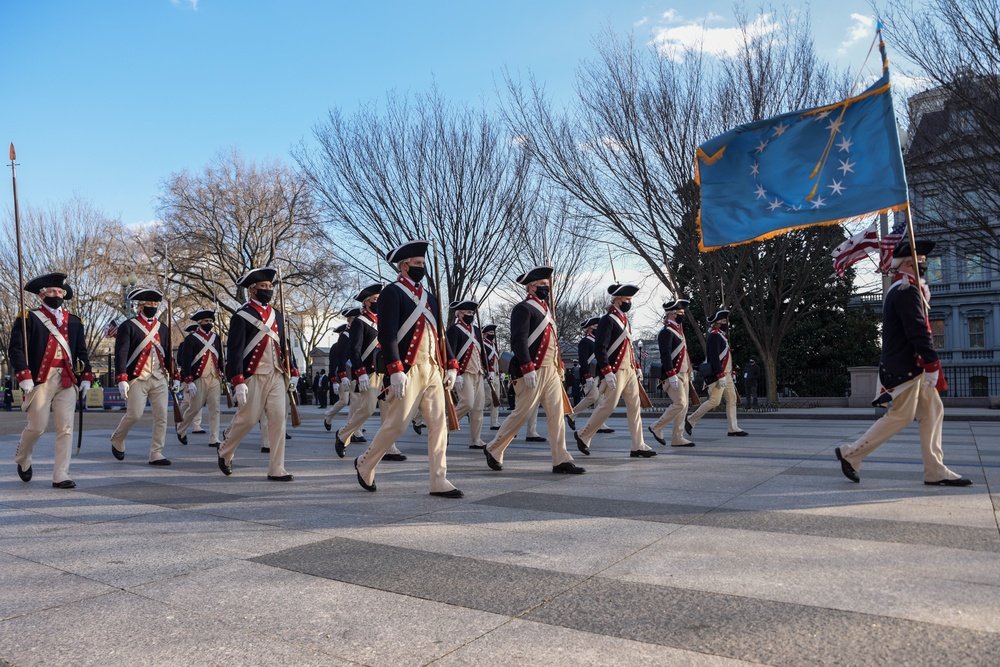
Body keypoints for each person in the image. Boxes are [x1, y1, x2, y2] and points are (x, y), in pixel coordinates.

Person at [835, 239, 972, 487]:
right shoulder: (906, 290)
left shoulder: (905, 288)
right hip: (908, 367)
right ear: (909, 262)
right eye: (921, 260)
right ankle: (850, 453)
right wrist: (931, 364)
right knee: (901, 415)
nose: (924, 263)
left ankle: (935, 470)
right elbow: (918, 331)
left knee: (932, 411)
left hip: (910, 366)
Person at [353, 239, 463, 497]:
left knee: (438, 425)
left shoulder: (431, 297)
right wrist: (395, 368)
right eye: (417, 263)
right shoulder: (392, 292)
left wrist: (451, 364)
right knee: (397, 424)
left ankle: (438, 480)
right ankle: (365, 462)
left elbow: (440, 335)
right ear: (403, 266)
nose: (421, 267)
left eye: (423, 263)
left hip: (433, 367)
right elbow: (387, 332)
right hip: (409, 368)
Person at [483, 266, 584, 475]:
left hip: (551, 371)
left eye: (547, 285)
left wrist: (559, 365)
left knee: (556, 416)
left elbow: (552, 342)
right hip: (534, 369)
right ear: (531, 287)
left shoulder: (547, 310)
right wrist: (527, 367)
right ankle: (493, 448)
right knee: (522, 413)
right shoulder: (523, 308)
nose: (546, 289)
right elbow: (518, 340)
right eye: (542, 285)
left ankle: (561, 459)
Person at [9, 272, 93, 488]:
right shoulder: (28, 318)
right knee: (37, 426)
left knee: (65, 428)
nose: (56, 294)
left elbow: (81, 352)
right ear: (41, 295)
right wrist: (23, 374)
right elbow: (16, 349)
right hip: (40, 379)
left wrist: (86, 375)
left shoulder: (75, 321)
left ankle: (61, 474)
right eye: (52, 291)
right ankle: (23, 458)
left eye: (60, 292)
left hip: (67, 380)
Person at [218, 267, 299, 481]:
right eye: (263, 287)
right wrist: (237, 380)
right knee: (248, 419)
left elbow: (284, 344)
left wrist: (294, 370)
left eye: (270, 286)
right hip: (253, 374)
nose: (268, 290)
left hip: (276, 374)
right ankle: (225, 451)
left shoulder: (278, 315)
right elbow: (234, 351)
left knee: (278, 419)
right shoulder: (242, 316)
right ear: (252, 290)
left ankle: (277, 467)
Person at [573, 284, 656, 458]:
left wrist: (638, 367)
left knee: (635, 408)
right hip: (616, 370)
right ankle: (583, 434)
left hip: (630, 370)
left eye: (630, 299)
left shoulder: (625, 320)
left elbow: (630, 348)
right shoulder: (607, 319)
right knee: (608, 406)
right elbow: (600, 347)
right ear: (617, 300)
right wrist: (607, 371)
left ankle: (638, 445)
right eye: (627, 299)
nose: (629, 302)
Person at [335, 283, 406, 462]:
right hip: (370, 373)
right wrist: (360, 372)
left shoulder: (385, 320)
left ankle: (390, 448)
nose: (378, 302)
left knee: (389, 412)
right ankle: (343, 435)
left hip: (387, 371)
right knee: (366, 409)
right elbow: (354, 350)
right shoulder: (360, 322)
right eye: (375, 299)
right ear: (366, 302)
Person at [110, 287, 176, 465]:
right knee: (135, 414)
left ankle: (156, 453)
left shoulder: (162, 328)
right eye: (149, 303)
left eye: (155, 304)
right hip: (137, 377)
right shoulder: (128, 326)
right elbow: (121, 353)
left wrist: (175, 375)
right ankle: (117, 438)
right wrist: (122, 378)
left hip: (159, 376)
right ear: (140, 306)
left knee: (162, 416)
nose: (153, 306)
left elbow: (168, 353)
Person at [685, 309, 748, 438]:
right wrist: (720, 375)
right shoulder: (714, 336)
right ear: (717, 323)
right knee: (714, 401)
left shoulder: (721, 336)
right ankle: (691, 419)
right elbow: (714, 357)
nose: (726, 323)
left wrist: (731, 371)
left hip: (727, 374)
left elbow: (725, 357)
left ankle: (733, 428)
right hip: (720, 374)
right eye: (723, 321)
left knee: (732, 399)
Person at [648, 298, 696, 447]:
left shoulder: (678, 331)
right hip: (673, 374)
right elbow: (666, 355)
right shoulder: (666, 332)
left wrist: (689, 370)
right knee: (680, 403)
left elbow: (684, 353)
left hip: (684, 373)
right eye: (680, 313)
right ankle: (657, 426)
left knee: (684, 406)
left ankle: (677, 437)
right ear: (672, 314)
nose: (682, 315)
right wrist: (671, 374)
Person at [175, 310, 224, 448]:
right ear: (200, 323)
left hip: (214, 377)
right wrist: (189, 380)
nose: (209, 323)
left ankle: (214, 438)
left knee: (215, 408)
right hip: (199, 378)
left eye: (210, 321)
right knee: (195, 407)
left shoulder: (216, 338)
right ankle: (181, 429)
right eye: (206, 321)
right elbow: (185, 361)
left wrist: (223, 372)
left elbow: (220, 357)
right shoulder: (191, 339)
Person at [447, 299, 488, 449]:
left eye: (472, 312)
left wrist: (487, 370)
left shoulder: (476, 330)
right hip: (463, 372)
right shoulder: (454, 330)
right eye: (468, 312)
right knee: (467, 403)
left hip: (478, 372)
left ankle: (475, 439)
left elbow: (481, 352)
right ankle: (445, 425)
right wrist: (455, 373)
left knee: (478, 407)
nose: (471, 315)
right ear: (460, 313)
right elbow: (450, 352)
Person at [566, 317, 611, 434]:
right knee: (593, 397)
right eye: (596, 327)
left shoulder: (597, 342)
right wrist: (587, 375)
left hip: (598, 374)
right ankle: (572, 414)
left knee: (600, 400)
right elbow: (583, 360)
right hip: (590, 374)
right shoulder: (585, 341)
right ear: (590, 329)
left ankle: (600, 424)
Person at [323, 320, 351, 430]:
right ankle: (328, 415)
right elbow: (333, 364)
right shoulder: (336, 347)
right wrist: (334, 380)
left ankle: (354, 426)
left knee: (358, 401)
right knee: (344, 400)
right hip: (342, 376)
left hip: (353, 375)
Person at [482, 323, 501, 430]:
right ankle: (474, 410)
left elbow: (497, 360)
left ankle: (494, 422)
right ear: (484, 334)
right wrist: (490, 372)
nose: (492, 334)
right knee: (488, 398)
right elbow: (485, 360)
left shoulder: (494, 345)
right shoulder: (483, 344)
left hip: (496, 375)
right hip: (489, 375)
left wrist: (501, 371)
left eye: (493, 333)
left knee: (496, 400)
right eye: (490, 333)